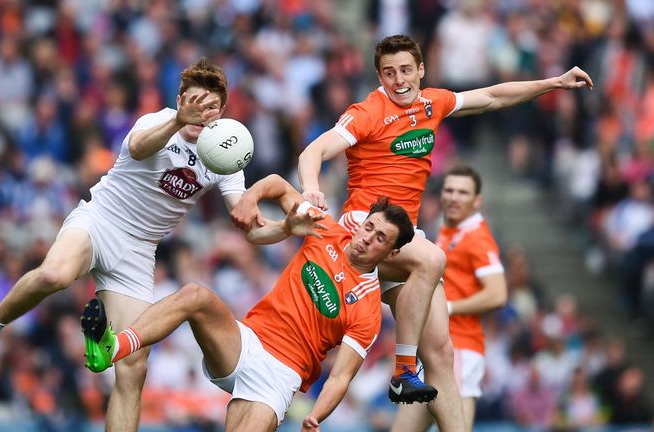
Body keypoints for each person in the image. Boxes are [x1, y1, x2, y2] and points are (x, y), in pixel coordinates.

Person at [233, 33, 592, 430]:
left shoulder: (432, 103)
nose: (399, 80)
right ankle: (404, 371)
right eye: (389, 73)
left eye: (406, 70)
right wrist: (313, 186)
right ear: (378, 76)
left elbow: (492, 97)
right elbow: (311, 152)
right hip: (364, 230)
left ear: (421, 70)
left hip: (405, 242)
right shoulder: (367, 111)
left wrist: (553, 83)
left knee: (440, 352)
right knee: (433, 257)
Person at [0, 59, 248, 431]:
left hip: (139, 251)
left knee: (133, 367)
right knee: (55, 274)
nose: (200, 113)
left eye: (210, 107)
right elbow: (141, 146)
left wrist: (286, 224)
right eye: (193, 102)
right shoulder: (156, 122)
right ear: (180, 100)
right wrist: (179, 120)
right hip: (101, 220)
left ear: (221, 111)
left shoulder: (226, 153)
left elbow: (245, 220)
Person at [81, 174, 415, 431]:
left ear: (392, 253)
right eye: (368, 227)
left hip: (280, 377)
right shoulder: (324, 230)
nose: (367, 238)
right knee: (195, 295)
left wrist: (315, 416)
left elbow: (341, 377)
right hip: (246, 342)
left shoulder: (369, 307)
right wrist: (250, 198)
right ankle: (113, 348)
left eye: (380, 238)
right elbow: (280, 186)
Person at [393, 165, 507, 432]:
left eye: (463, 192)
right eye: (450, 190)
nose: (454, 197)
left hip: (461, 349)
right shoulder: (448, 232)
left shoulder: (477, 237)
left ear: (476, 201)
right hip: (438, 350)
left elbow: (497, 293)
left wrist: (449, 307)